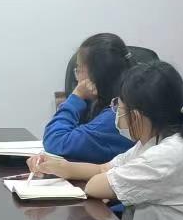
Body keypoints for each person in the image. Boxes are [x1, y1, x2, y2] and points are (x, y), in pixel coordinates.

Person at [27, 59, 183, 220]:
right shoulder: (156, 142)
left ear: (137, 116)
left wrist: (97, 178)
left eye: (119, 106)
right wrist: (59, 166)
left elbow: (95, 185)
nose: (116, 112)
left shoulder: (166, 156)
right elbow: (103, 168)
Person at [42, 33, 134, 163]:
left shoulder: (116, 117)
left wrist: (76, 97)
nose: (76, 78)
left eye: (79, 70)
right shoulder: (118, 102)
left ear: (97, 76)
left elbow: (55, 140)